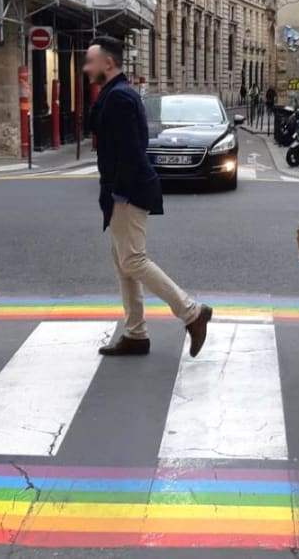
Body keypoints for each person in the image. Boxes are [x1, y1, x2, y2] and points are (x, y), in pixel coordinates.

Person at [85, 36, 213, 357]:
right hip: (121, 190)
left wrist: (121, 193)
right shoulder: (115, 95)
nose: (86, 67)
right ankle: (135, 333)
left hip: (127, 192)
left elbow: (132, 149)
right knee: (123, 263)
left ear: (108, 63)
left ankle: (192, 313)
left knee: (133, 260)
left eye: (91, 61)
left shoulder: (120, 98)